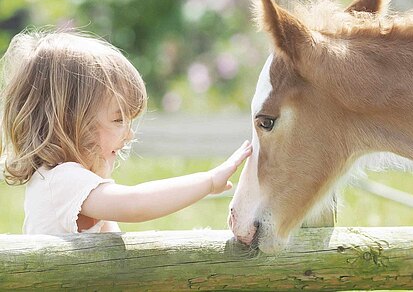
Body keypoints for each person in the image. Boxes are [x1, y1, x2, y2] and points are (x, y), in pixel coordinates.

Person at [0, 29, 252, 234]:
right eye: (118, 120)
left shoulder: (65, 183)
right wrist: (208, 181)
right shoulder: (61, 181)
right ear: (70, 121)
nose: (129, 135)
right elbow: (135, 204)